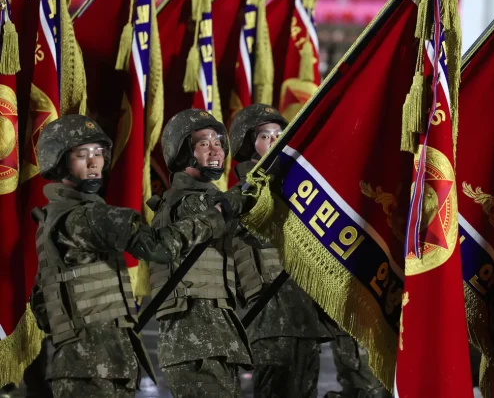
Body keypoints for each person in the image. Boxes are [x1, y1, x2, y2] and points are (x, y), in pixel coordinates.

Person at [29, 114, 223, 398]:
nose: (94, 163)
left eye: (98, 153)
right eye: (82, 155)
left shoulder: (50, 220)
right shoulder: (93, 217)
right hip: (98, 371)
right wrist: (213, 216)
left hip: (84, 366)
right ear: (59, 162)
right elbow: (160, 248)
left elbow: (42, 306)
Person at [229, 103, 333, 398]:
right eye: (265, 136)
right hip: (267, 323)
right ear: (247, 145)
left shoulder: (300, 191)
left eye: (279, 134)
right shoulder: (240, 198)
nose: (275, 141)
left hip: (305, 320)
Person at [148, 109, 253, 398]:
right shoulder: (186, 203)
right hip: (194, 344)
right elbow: (230, 218)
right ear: (184, 152)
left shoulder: (209, 201)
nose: (216, 150)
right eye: (204, 143)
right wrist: (251, 190)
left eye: (218, 143)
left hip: (213, 341)